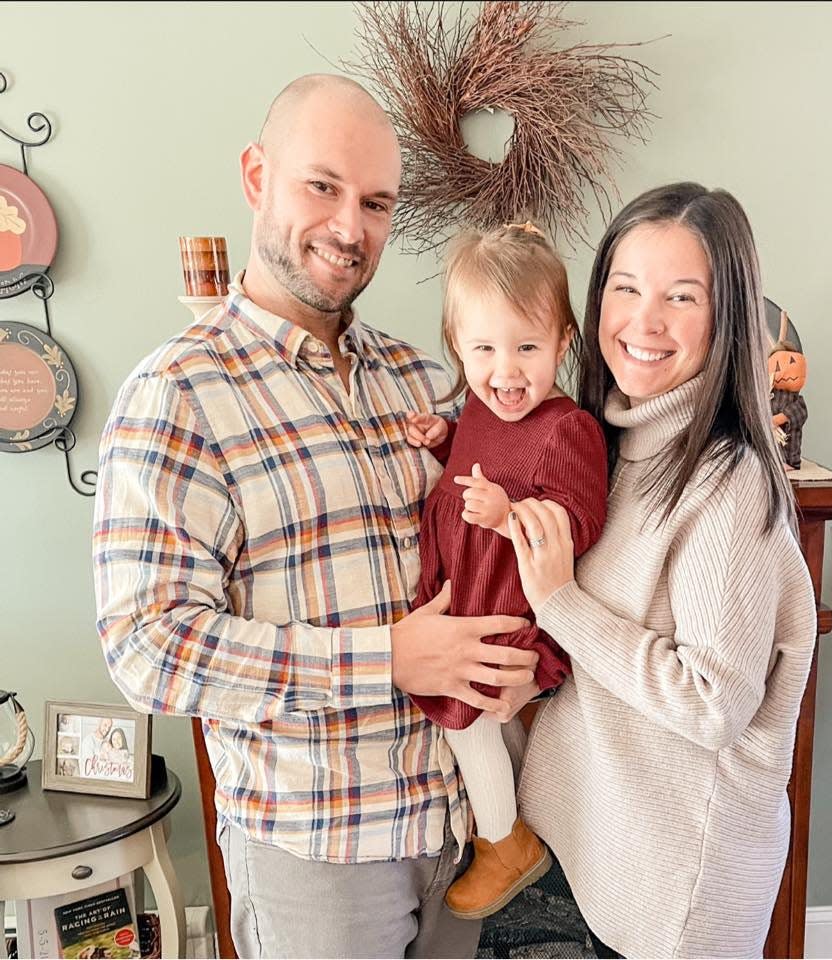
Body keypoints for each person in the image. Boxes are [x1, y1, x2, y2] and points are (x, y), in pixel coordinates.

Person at [93, 74, 539, 960]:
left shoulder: (425, 380)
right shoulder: (177, 394)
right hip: (315, 857)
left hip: (458, 830)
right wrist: (388, 659)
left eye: (376, 202)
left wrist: (521, 670)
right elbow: (147, 648)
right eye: (322, 186)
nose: (349, 226)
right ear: (258, 176)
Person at [506, 183, 818, 958]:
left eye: (681, 297)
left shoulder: (728, 481)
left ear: (728, 318)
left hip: (672, 900)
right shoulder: (609, 448)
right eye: (627, 288)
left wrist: (561, 604)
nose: (644, 322)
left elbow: (713, 705)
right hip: (590, 857)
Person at [403, 223, 607, 919]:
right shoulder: (478, 409)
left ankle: (505, 843)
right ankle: (503, 818)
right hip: (463, 597)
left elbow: (580, 522)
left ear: (562, 341)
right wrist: (445, 443)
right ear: (458, 347)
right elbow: (474, 468)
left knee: (468, 719)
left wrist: (510, 516)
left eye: (527, 347)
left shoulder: (566, 428)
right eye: (484, 349)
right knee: (476, 725)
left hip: (505, 611)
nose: (506, 371)